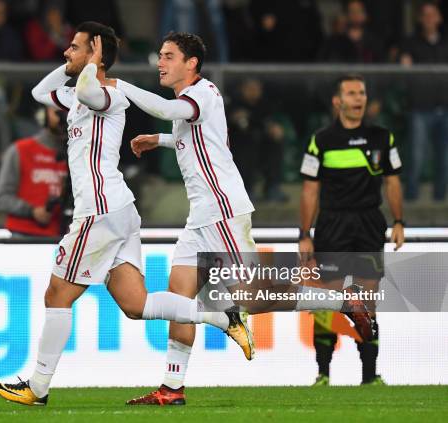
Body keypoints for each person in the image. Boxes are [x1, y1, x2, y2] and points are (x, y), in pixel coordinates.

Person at [0, 21, 253, 407]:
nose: (66, 53)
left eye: (74, 48)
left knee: (57, 294)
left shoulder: (107, 96)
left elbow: (91, 90)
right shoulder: (81, 94)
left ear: (96, 54)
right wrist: (75, 65)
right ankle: (221, 319)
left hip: (100, 212)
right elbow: (39, 92)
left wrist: (94, 63)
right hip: (118, 212)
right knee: (136, 305)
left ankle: (38, 387)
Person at [110, 32, 373, 406]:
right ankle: (172, 387)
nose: (161, 63)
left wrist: (119, 84)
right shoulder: (194, 101)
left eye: (169, 56)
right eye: (160, 56)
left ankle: (344, 300)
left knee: (252, 298)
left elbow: (168, 112)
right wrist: (162, 140)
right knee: (178, 297)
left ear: (191, 63)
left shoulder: (199, 94)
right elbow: (205, 142)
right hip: (200, 217)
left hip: (222, 212)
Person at [299, 74, 405, 386]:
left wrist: (399, 222)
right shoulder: (321, 140)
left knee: (367, 299)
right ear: (338, 101)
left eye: (362, 93)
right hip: (332, 224)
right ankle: (323, 373)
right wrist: (304, 233)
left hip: (369, 223)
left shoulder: (382, 138)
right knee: (325, 299)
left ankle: (370, 376)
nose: (358, 98)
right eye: (351, 93)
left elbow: (393, 182)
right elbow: (309, 190)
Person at [0, 106, 68, 238]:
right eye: (56, 110)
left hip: (66, 237)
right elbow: (2, 198)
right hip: (24, 236)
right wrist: (32, 211)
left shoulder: (80, 153)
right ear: (43, 114)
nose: (62, 115)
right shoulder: (20, 150)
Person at [400, 1, 448, 202]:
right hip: (420, 109)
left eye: (432, 15)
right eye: (425, 15)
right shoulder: (411, 44)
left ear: (439, 18)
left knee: (444, 159)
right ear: (420, 19)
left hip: (445, 108)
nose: (429, 19)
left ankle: (440, 200)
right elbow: (404, 73)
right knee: (416, 158)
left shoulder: (446, 43)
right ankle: (411, 201)